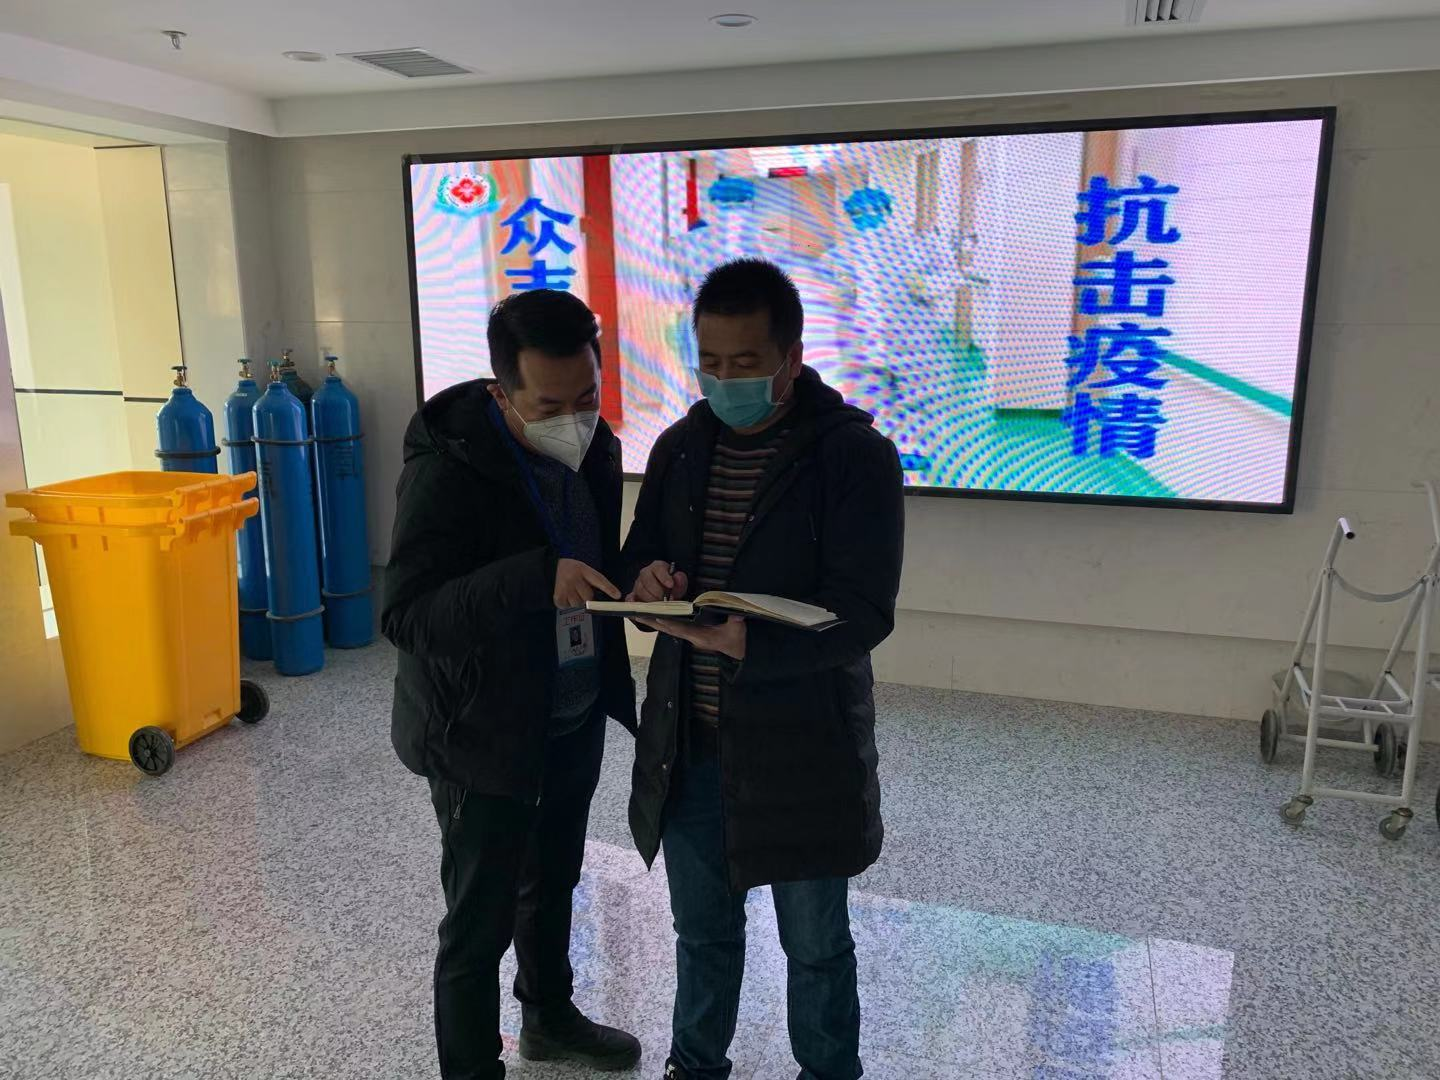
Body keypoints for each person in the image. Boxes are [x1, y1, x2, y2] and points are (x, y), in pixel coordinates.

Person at [622, 258, 906, 1080]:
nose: (724, 380)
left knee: (815, 944)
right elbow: (641, 558)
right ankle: (695, 1066)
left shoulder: (853, 457)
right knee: (702, 932)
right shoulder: (681, 449)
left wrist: (755, 645)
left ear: (791, 358)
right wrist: (646, 585)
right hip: (691, 742)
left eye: (744, 363)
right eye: (709, 361)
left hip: (802, 748)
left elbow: (864, 612)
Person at [382, 289, 643, 1079]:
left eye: (587, 397)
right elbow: (409, 615)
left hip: (570, 715)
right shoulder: (449, 470)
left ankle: (549, 1019)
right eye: (550, 406)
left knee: (554, 882)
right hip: (481, 731)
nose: (575, 420)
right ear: (502, 395)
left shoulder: (596, 447)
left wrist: (640, 576)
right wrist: (535, 579)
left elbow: (592, 557)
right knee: (479, 922)